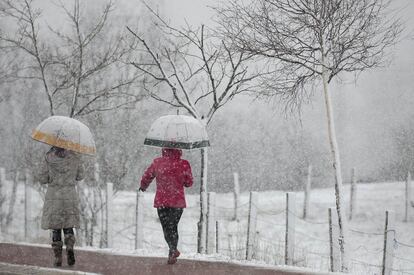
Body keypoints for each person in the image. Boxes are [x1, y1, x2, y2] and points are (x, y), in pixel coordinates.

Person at [139, 147, 193, 264]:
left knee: (167, 228)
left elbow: (147, 175)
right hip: (177, 202)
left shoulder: (157, 162)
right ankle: (172, 251)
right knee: (173, 226)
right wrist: (181, 179)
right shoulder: (184, 164)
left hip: (162, 201)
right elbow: (189, 183)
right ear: (179, 150)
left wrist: (143, 186)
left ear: (164, 149)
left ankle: (172, 250)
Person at [37, 146, 85, 267]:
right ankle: (70, 248)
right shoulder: (75, 157)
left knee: (56, 227)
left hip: (54, 196)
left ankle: (58, 256)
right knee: (68, 225)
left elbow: (42, 178)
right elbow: (80, 176)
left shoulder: (49, 157)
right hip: (70, 195)